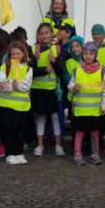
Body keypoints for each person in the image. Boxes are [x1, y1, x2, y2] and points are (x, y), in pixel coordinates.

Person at [68, 42, 105, 166]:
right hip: (80, 110)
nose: (88, 56)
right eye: (85, 53)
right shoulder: (77, 71)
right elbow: (69, 85)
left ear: (95, 55)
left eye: (91, 54)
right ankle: (77, 154)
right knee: (79, 132)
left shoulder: (101, 72)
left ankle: (95, 154)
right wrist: (74, 87)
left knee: (94, 132)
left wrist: (104, 106)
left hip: (95, 110)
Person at [0, 40, 33, 165]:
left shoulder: (28, 69)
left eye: (18, 53)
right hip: (6, 105)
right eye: (13, 54)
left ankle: (19, 152)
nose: (16, 56)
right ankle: (10, 153)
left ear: (23, 54)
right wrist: (12, 85)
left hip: (21, 106)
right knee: (7, 131)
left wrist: (15, 85)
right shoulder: (4, 68)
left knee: (20, 131)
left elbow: (26, 86)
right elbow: (0, 84)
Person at [30, 22, 64, 157]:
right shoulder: (33, 50)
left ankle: (58, 145)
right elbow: (30, 69)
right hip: (38, 89)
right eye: (42, 33)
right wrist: (43, 70)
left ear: (52, 34)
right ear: (38, 35)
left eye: (47, 33)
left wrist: (54, 62)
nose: (44, 35)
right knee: (41, 118)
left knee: (55, 117)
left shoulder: (57, 49)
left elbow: (61, 70)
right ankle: (39, 145)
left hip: (52, 90)